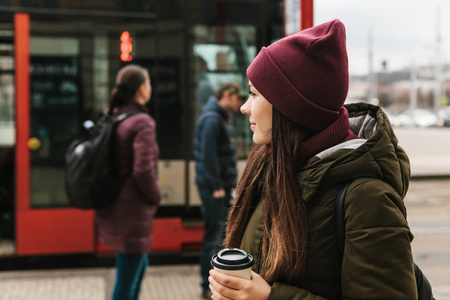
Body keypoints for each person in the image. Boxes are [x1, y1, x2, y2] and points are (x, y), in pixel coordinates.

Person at [209, 19, 417, 299]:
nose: (245, 108)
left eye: (254, 94)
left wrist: (270, 297)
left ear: (291, 109)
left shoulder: (367, 198)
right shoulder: (273, 165)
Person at [95, 64, 161, 300]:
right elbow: (143, 170)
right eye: (149, 83)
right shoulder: (142, 122)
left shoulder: (116, 115)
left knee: (137, 267)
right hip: (132, 210)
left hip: (116, 205)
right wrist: (156, 196)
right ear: (142, 89)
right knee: (126, 282)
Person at [194, 82, 245, 299]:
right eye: (237, 99)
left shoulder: (218, 118)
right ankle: (208, 285)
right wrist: (216, 186)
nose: (240, 104)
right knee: (214, 235)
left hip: (221, 187)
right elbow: (208, 156)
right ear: (226, 95)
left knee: (218, 234)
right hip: (215, 189)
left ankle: (212, 282)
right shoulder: (213, 120)